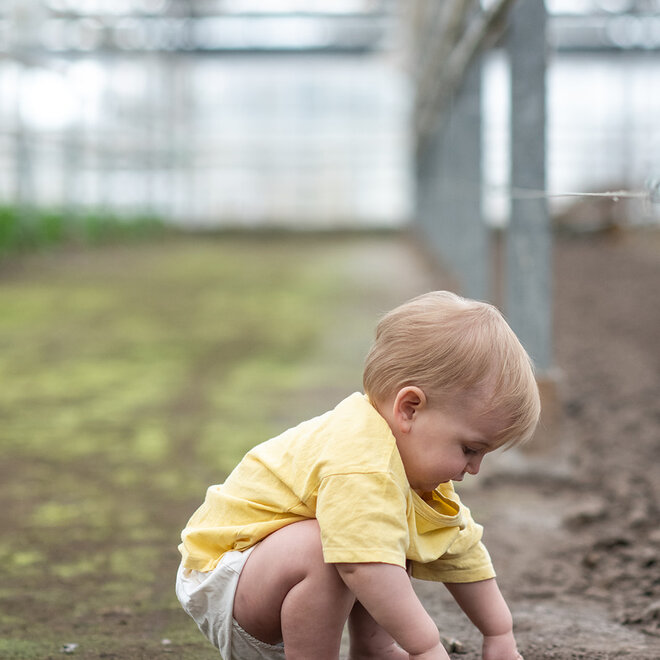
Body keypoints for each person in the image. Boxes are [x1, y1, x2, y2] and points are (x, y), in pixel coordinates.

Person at [176, 291, 541, 660]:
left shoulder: (406, 465)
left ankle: (374, 650)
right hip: (225, 577)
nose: (474, 468)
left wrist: (499, 632)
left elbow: (459, 547)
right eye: (469, 449)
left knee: (391, 529)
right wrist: (426, 647)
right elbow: (361, 565)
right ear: (410, 409)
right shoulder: (361, 459)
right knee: (339, 550)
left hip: (263, 575)